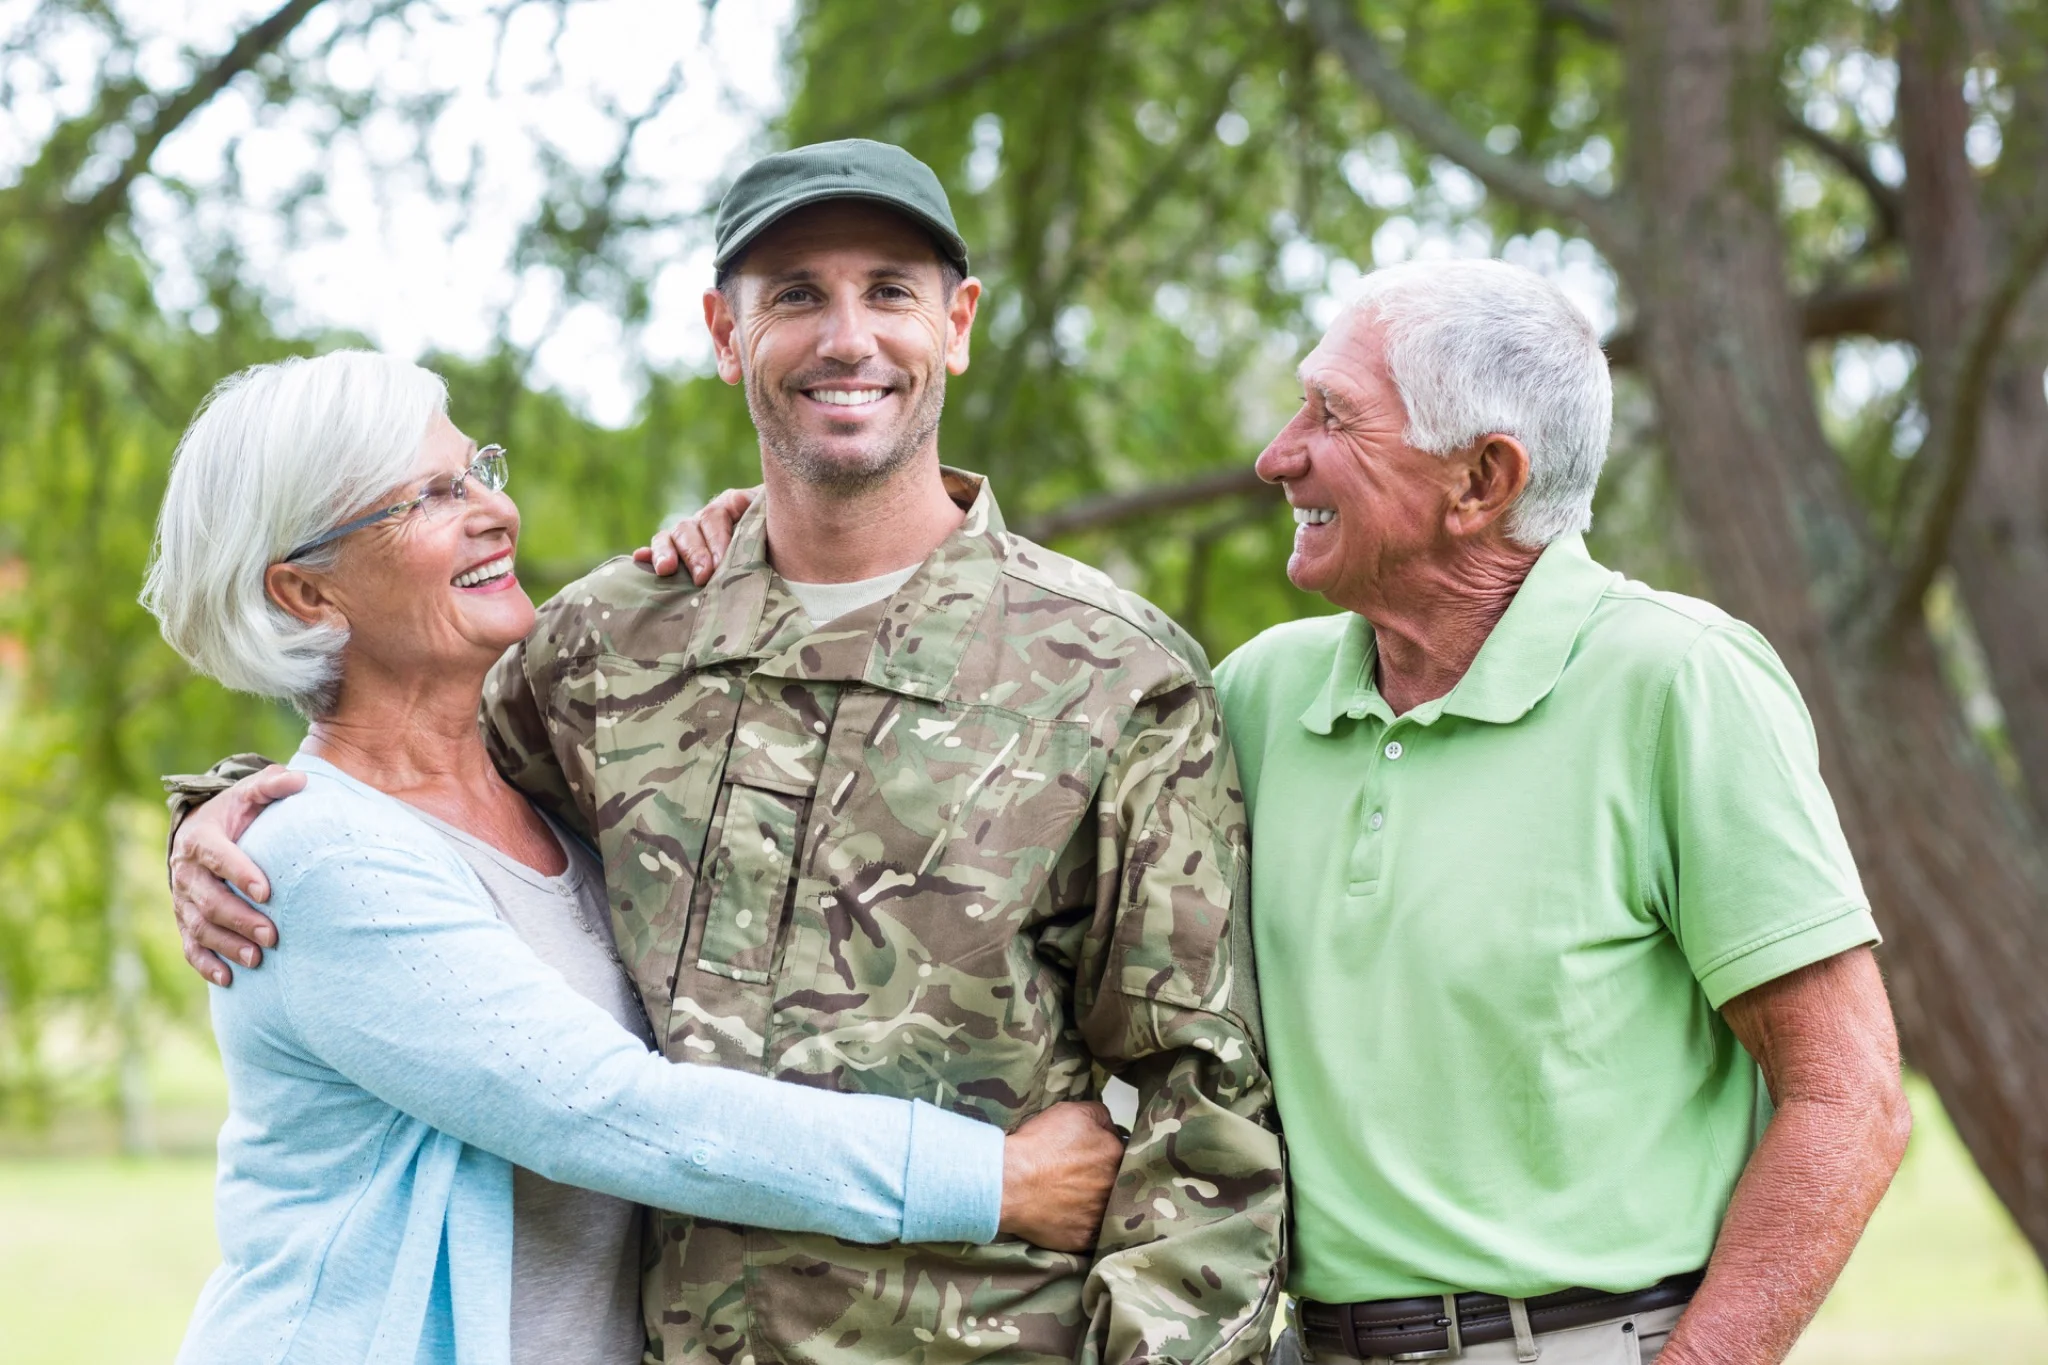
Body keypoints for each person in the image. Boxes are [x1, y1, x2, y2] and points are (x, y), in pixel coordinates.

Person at [643, 259, 1914, 1365]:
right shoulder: (1258, 692)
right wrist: (778, 535)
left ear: (1479, 479)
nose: (1276, 453)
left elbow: (1846, 1100)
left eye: (1329, 416)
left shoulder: (1677, 682)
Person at [164, 141, 1287, 1365]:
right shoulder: (604, 650)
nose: (846, 336)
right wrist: (228, 820)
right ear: (722, 331)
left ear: (956, 324)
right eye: (795, 293)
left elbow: (1203, 1112)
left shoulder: (1115, 675)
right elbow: (389, 801)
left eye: (890, 290)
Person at [141, 348, 1122, 1365]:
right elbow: (614, 1115)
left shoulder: (552, 798)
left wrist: (770, 547)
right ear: (306, 594)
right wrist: (993, 1181)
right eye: (429, 498)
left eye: (475, 469)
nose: (492, 511)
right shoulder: (313, 861)